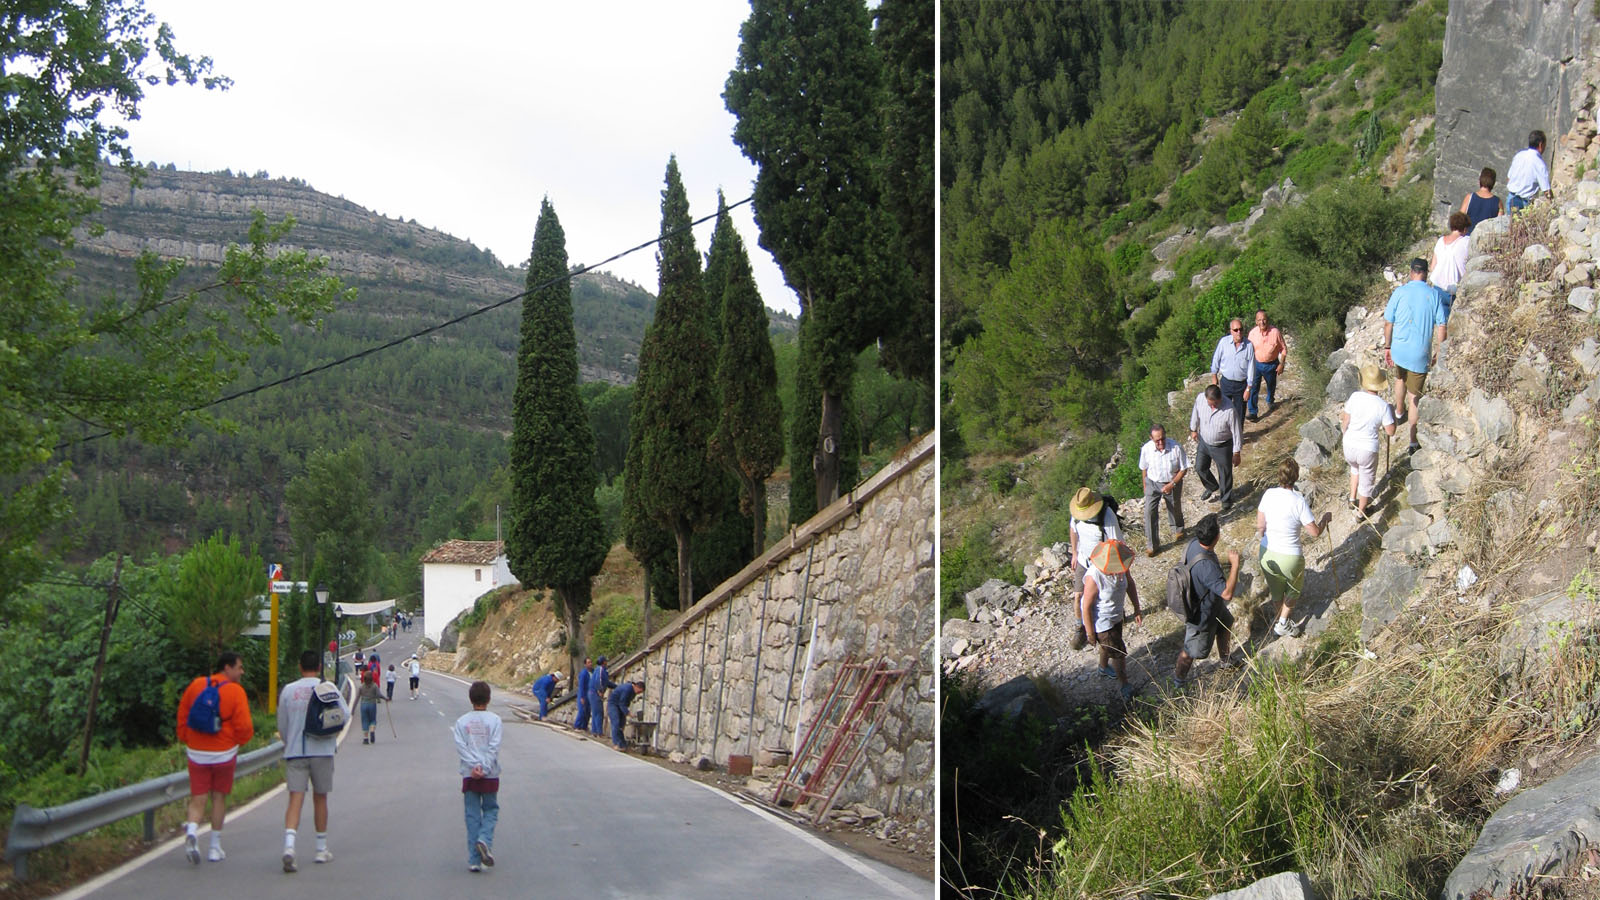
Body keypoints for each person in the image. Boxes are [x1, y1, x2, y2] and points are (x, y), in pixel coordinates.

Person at [175, 651, 255, 864]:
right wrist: (237, 742)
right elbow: (244, 726)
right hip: (224, 754)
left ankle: (192, 830)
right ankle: (214, 847)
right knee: (218, 797)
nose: (241, 671)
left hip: (196, 752)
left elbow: (183, 715)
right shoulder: (236, 692)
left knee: (198, 798)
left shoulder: (196, 685)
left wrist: (187, 739)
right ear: (227, 668)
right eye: (239, 667)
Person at [277, 650, 348, 873]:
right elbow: (343, 716)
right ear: (319, 667)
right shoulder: (328, 689)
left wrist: (291, 742)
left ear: (300, 667)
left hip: (296, 751)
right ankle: (320, 849)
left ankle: (289, 847)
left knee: (295, 800)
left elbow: (282, 725)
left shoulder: (289, 691)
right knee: (320, 799)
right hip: (322, 750)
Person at [1255, 459, 1333, 639]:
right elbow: (1314, 532)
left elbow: (1260, 526)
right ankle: (1283, 623)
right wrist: (1324, 520)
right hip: (1290, 556)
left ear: (1279, 475)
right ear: (1296, 477)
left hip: (1267, 552)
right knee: (1293, 591)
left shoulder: (1268, 494)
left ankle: (1282, 619)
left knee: (1276, 591)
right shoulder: (1298, 500)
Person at [1383, 258, 1450, 454]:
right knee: (1415, 397)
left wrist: (1388, 346)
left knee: (1399, 378)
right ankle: (1412, 441)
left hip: (1399, 348)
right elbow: (1442, 326)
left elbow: (1388, 322)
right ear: (1426, 274)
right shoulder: (1433, 295)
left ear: (1411, 271)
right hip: (1420, 353)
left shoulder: (1400, 292)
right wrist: (1439, 350)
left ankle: (1398, 412)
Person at [1173, 514, 1240, 684]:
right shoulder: (1206, 566)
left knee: (1225, 624)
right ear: (1216, 537)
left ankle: (1225, 662)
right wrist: (1235, 565)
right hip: (1202, 615)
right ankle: (1178, 680)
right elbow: (1227, 594)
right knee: (1191, 651)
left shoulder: (1194, 543)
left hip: (1212, 606)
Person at [1077, 540, 1142, 699]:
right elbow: (1086, 607)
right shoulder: (1094, 576)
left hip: (1116, 616)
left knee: (1109, 646)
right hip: (1102, 622)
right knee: (1118, 653)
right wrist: (1090, 633)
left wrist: (1136, 608)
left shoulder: (1121, 567)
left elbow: (1130, 584)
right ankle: (1124, 685)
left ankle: (1103, 666)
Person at [453, 680, 502, 873]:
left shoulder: (461, 722)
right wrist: (485, 767)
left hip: (469, 775)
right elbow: (494, 747)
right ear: (488, 699)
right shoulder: (495, 720)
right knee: (490, 810)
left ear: (470, 699)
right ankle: (484, 840)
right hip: (490, 775)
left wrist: (474, 767)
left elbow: (461, 748)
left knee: (472, 815)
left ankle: (474, 860)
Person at [1067, 487, 1124, 648]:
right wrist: (1075, 552)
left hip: (1103, 563)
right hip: (1084, 560)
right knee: (1079, 596)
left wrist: (1119, 566)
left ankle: (1113, 619)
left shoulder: (1106, 515)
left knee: (1107, 594)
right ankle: (1081, 628)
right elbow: (1073, 531)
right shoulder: (1077, 514)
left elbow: (1116, 541)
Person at [1341, 364, 1398, 516]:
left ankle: (1352, 499)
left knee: (1354, 468)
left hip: (1349, 444)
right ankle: (1361, 513)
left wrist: (1345, 435)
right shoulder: (1383, 406)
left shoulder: (1355, 397)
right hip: (1367, 448)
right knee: (1366, 480)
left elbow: (1345, 421)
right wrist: (1392, 415)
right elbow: (1390, 431)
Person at [1189, 384, 1243, 511]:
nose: (1213, 406)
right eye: (1210, 404)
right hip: (1204, 442)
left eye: (1215, 403)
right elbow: (1195, 413)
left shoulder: (1229, 410)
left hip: (1222, 445)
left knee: (1225, 473)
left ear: (1221, 398)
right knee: (1200, 467)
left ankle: (1226, 499)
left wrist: (1236, 453)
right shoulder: (1200, 399)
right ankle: (1212, 486)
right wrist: (1193, 429)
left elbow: (1237, 432)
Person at [1138, 423, 1187, 555]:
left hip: (1172, 481)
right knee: (1149, 512)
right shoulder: (1146, 449)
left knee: (1174, 506)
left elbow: (1184, 469)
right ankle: (1153, 546)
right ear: (1151, 438)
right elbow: (1144, 468)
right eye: (1157, 440)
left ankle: (1178, 529)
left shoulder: (1176, 447)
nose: (1160, 442)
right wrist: (1145, 485)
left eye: (1162, 439)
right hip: (1152, 483)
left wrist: (1172, 484)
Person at [1210, 318, 1254, 426]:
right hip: (1226, 382)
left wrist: (1248, 388)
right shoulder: (1224, 342)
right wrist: (1214, 375)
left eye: (1241, 329)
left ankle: (1238, 436)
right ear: (1231, 331)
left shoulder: (1249, 346)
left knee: (1240, 412)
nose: (1239, 332)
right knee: (1223, 409)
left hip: (1241, 384)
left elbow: (1251, 367)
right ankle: (1224, 433)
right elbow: (1216, 358)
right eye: (1236, 330)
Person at [1246, 309, 1288, 423]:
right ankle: (1253, 412)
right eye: (1259, 320)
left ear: (1267, 320)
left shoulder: (1275, 332)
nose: (1262, 322)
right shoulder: (1252, 334)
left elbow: (1283, 349)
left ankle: (1270, 400)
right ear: (1256, 321)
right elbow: (1248, 351)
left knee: (1271, 385)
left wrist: (1282, 364)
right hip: (1256, 364)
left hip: (1271, 364)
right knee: (1253, 387)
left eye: (1264, 319)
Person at [1429, 211, 1472, 316]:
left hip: (1437, 287)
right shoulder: (1467, 241)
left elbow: (1432, 267)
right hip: (1455, 290)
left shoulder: (1440, 241)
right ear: (1465, 228)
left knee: (1440, 323)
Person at [1506, 129, 1552, 213]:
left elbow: (1509, 178)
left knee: (1509, 224)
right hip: (1524, 202)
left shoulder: (1519, 155)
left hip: (1511, 198)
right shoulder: (1539, 163)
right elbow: (1546, 190)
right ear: (1541, 144)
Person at [1460, 166, 1502, 233]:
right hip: (1486, 239)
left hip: (1468, 237)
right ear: (1493, 183)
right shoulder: (1498, 202)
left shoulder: (1469, 197)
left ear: (1480, 180)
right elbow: (1500, 224)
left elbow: (1459, 220)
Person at [607, 680, 645, 750]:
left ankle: (622, 744)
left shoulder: (633, 692)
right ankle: (616, 743)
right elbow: (622, 703)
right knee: (616, 723)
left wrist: (626, 712)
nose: (639, 693)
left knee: (621, 724)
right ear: (636, 687)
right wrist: (628, 713)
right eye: (639, 691)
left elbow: (625, 703)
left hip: (620, 706)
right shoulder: (627, 689)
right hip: (613, 704)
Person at [590, 655, 615, 736]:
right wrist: (600, 690)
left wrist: (616, 686)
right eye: (606, 661)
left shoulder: (600, 670)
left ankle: (594, 731)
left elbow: (607, 683)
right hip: (595, 693)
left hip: (592, 693)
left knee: (595, 712)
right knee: (599, 713)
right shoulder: (600, 669)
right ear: (604, 662)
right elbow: (599, 680)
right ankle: (599, 732)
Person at [358, 669, 382, 745]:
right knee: (372, 720)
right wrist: (385, 698)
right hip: (372, 704)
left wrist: (352, 710)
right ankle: (372, 730)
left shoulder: (361, 686)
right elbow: (379, 695)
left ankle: (365, 738)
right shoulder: (374, 686)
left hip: (363, 704)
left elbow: (357, 697)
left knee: (365, 720)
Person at [574, 657, 593, 730]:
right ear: (585, 664)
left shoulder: (592, 672)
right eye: (588, 662)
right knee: (582, 711)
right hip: (584, 694)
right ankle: (577, 725)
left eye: (591, 662)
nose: (590, 664)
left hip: (590, 694)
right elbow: (581, 686)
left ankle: (584, 726)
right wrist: (582, 697)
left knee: (588, 711)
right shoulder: (583, 673)